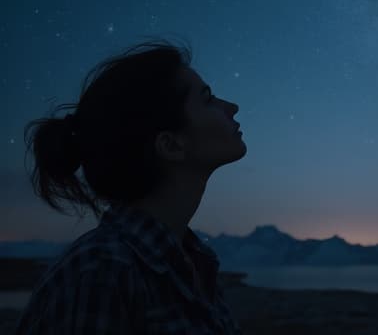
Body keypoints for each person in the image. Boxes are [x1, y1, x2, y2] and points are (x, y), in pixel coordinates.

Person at [15, 38, 247, 334]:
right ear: (171, 145)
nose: (232, 107)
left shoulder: (193, 263)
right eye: (207, 98)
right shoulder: (101, 270)